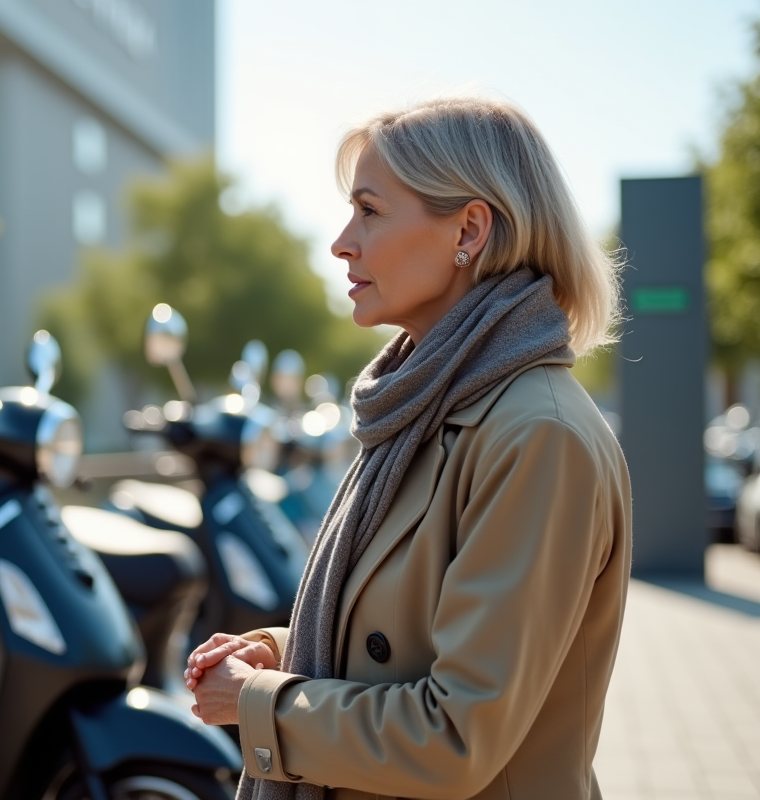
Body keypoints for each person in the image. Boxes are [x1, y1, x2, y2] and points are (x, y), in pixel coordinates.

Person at [184, 96, 631, 800]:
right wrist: (277, 650)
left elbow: (454, 736)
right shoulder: (422, 404)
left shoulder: (537, 437)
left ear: (470, 230)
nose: (340, 242)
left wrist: (261, 703)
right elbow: (405, 635)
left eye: (369, 210)